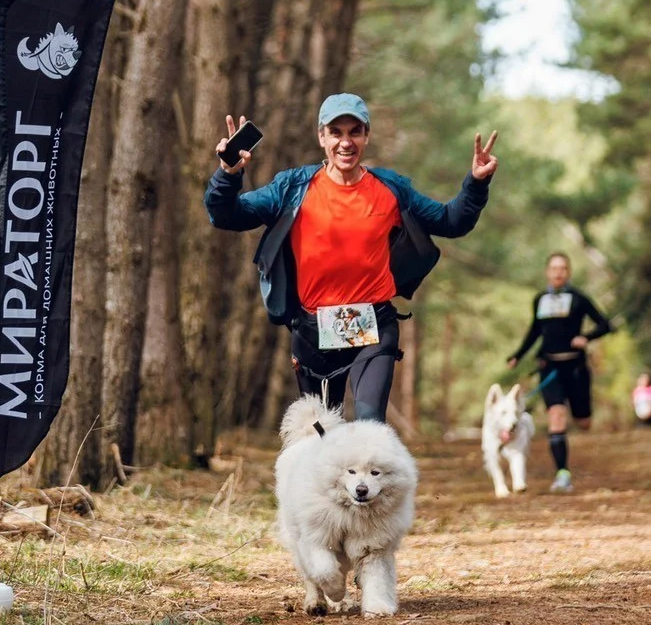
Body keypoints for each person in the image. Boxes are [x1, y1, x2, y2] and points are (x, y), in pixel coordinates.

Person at [205, 93, 498, 422]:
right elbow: (227, 216)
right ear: (321, 137)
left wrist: (476, 183)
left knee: (369, 425)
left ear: (366, 136)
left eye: (355, 132)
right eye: (336, 132)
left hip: (373, 327)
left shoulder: (390, 189)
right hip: (314, 332)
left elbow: (450, 221)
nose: (346, 142)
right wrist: (228, 174)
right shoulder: (293, 188)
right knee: (320, 436)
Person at [507, 252, 610, 493]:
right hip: (550, 367)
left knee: (583, 421)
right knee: (556, 415)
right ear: (547, 272)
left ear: (568, 272)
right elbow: (535, 331)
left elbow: (605, 324)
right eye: (554, 268)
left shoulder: (579, 298)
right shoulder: (540, 299)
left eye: (563, 268)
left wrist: (586, 337)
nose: (558, 272)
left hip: (576, 368)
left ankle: (577, 419)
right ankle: (562, 474)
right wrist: (518, 355)